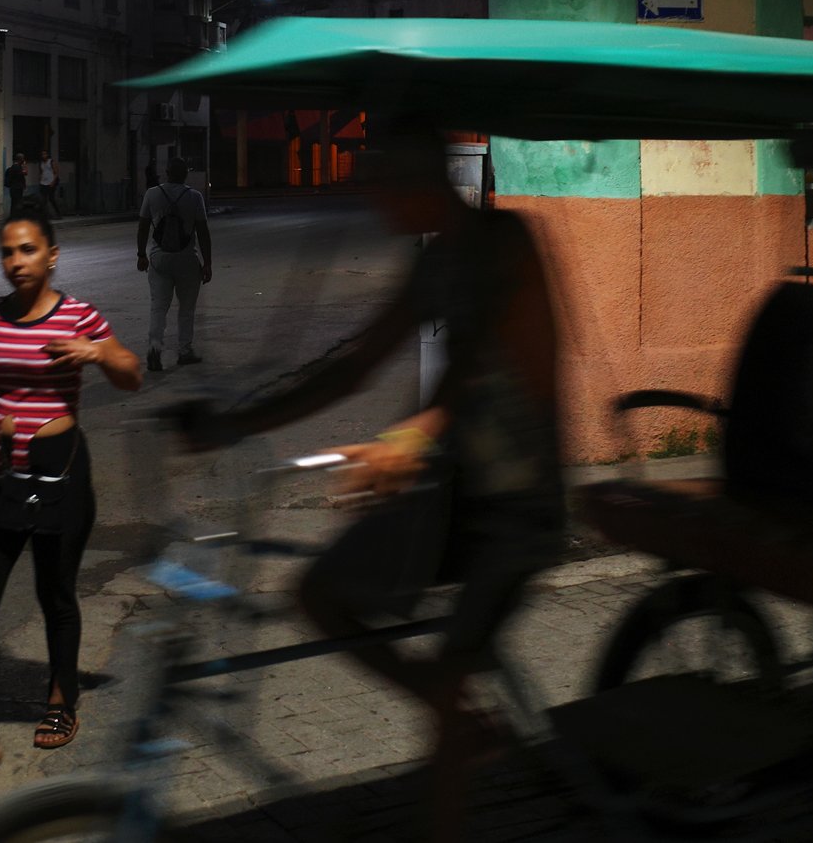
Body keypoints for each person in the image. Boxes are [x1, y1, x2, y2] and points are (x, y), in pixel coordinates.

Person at [186, 128, 563, 840]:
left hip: (519, 503)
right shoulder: (436, 259)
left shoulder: (505, 241)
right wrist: (235, 421)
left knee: (451, 677)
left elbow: (488, 356)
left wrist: (418, 433)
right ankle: (462, 720)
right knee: (318, 593)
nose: (370, 196)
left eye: (378, 179)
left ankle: (454, 736)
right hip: (454, 494)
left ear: (418, 179)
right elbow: (355, 364)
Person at [0, 199, 141, 775]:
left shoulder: (78, 315)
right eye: (7, 251)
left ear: (52, 256)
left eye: (28, 250)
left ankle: (61, 699)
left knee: (56, 596)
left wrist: (96, 352)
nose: (16, 261)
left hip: (60, 483)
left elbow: (131, 373)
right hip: (1, 482)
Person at [136, 156, 211, 373]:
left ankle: (154, 349)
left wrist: (141, 255)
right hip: (187, 259)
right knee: (186, 309)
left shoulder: (152, 193)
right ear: (185, 174)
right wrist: (207, 263)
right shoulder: (194, 197)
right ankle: (184, 351)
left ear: (166, 173)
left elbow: (142, 227)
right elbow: (203, 233)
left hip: (159, 259)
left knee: (158, 307)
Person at [37, 148, 61, 215]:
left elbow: (56, 172)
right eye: (42, 154)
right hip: (43, 183)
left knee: (51, 198)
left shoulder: (51, 162)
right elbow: (41, 172)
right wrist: (40, 180)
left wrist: (53, 182)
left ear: (47, 155)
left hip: (50, 182)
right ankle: (45, 214)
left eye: (45, 154)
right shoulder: (41, 163)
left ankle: (58, 212)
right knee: (43, 200)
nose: (43, 156)